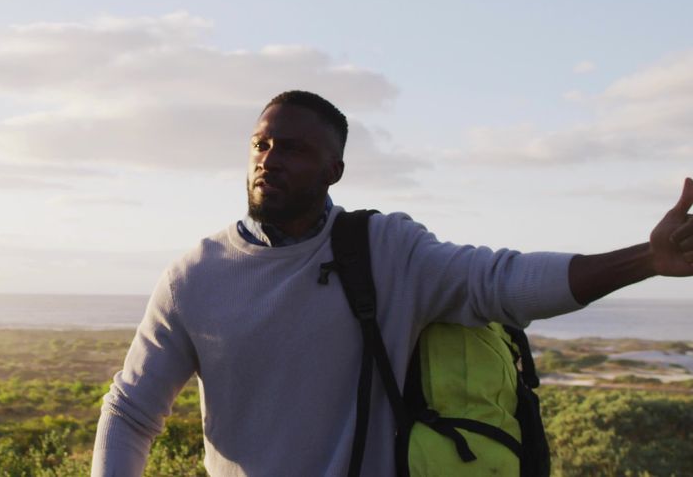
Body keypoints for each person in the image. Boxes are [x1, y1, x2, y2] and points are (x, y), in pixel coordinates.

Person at [91, 90, 693, 476]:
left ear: (335, 170)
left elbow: (503, 282)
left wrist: (647, 259)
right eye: (261, 144)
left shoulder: (386, 250)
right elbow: (130, 411)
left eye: (293, 149)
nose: (268, 159)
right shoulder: (193, 276)